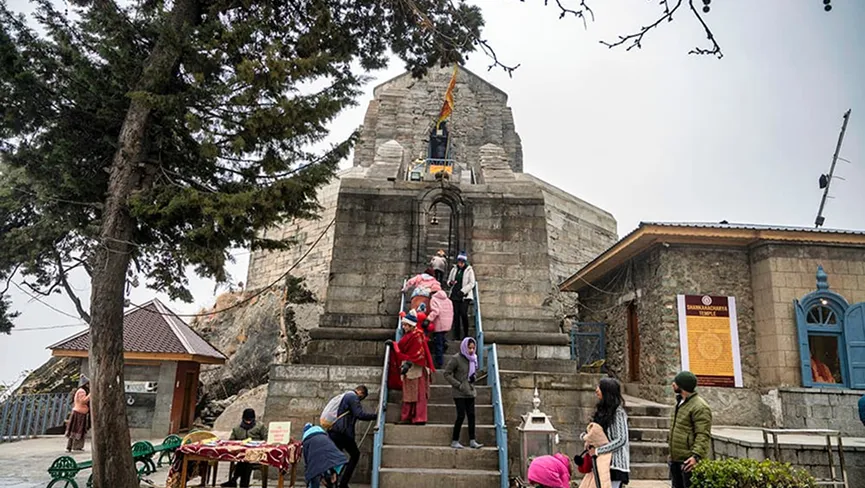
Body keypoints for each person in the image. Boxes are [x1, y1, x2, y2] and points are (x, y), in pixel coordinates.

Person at [387, 309, 435, 425]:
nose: (403, 327)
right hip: (411, 366)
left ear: (411, 325)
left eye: (405, 325)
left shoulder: (416, 336)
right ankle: (410, 417)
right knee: (410, 394)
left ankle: (418, 417)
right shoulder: (412, 335)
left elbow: (418, 354)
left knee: (417, 395)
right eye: (403, 325)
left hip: (416, 367)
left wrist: (396, 348)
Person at [580, 378, 630, 488]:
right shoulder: (602, 412)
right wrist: (586, 438)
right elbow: (591, 431)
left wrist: (598, 451)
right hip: (600, 463)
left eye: (600, 387)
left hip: (615, 465)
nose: (597, 390)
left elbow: (621, 439)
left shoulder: (618, 413)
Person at [668, 371, 712, 488]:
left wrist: (696, 456)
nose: (673, 384)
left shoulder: (700, 407)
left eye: (676, 383)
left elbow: (702, 434)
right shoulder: (680, 403)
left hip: (688, 461)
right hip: (676, 459)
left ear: (682, 386)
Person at [329, 385, 376, 488]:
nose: (361, 400)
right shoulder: (353, 397)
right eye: (362, 397)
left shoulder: (345, 396)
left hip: (335, 432)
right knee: (355, 455)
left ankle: (332, 481)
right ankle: (342, 483)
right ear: (360, 392)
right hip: (343, 433)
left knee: (337, 458)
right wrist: (375, 416)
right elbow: (359, 414)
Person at [443, 337, 483, 449]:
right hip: (459, 392)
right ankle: (455, 440)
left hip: (470, 390)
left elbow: (475, 372)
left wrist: (474, 378)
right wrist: (458, 384)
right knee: (461, 415)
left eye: (473, 348)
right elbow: (447, 373)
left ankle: (472, 440)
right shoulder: (456, 359)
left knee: (472, 416)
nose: (471, 350)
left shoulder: (473, 359)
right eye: (469, 348)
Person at [221, 408, 268, 488]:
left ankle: (234, 480)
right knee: (245, 461)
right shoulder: (237, 429)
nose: (248, 422)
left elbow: (266, 439)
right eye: (246, 420)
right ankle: (242, 484)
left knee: (246, 461)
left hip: (257, 453)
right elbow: (231, 441)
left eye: (250, 420)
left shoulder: (260, 427)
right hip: (240, 454)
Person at [302, 423, 347, 488]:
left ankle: (325, 479)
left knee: (314, 475)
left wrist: (308, 476)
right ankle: (332, 478)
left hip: (316, 462)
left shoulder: (307, 441)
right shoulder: (324, 436)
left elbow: (307, 461)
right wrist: (334, 471)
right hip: (337, 460)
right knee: (326, 467)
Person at [447, 252, 476, 340]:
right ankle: (456, 335)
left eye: (462, 262)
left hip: (464, 296)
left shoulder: (469, 270)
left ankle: (466, 334)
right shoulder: (454, 269)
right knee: (456, 315)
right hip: (454, 294)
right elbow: (449, 280)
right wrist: (450, 283)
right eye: (459, 261)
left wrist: (463, 291)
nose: (460, 263)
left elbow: (472, 283)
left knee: (463, 313)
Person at [425, 289, 454, 369]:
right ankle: (445, 343)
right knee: (441, 338)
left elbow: (435, 311)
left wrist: (428, 319)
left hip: (439, 324)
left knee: (438, 343)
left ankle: (439, 362)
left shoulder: (434, 299)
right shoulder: (448, 300)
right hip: (447, 323)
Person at [65, 376, 90, 452]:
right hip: (79, 413)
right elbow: (83, 401)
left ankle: (70, 446)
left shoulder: (79, 391)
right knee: (78, 430)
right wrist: (90, 395)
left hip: (78, 412)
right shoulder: (82, 391)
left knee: (74, 430)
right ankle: (76, 446)